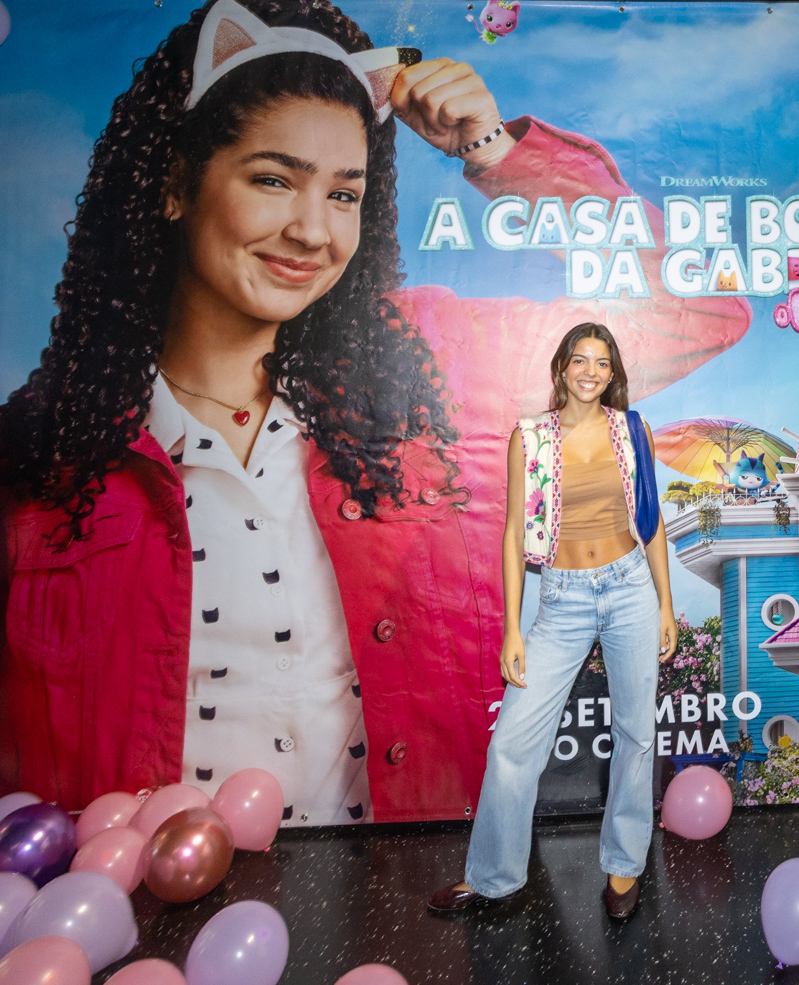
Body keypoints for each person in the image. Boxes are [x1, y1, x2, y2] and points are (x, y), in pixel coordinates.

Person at [0, 0, 751, 825]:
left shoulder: (429, 366)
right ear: (177, 183)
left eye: (344, 193)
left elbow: (693, 310)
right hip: (135, 904)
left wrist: (493, 149)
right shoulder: (40, 457)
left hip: (414, 897)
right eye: (273, 179)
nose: (311, 230)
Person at [429, 323, 674, 920]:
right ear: (562, 368)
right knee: (513, 741)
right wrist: (512, 627)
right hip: (561, 598)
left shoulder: (632, 430)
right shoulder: (531, 436)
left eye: (602, 363)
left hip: (629, 588)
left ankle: (624, 866)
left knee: (636, 733)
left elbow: (651, 522)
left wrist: (666, 605)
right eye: (579, 360)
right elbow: (515, 532)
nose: (591, 372)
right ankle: (494, 877)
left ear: (612, 374)